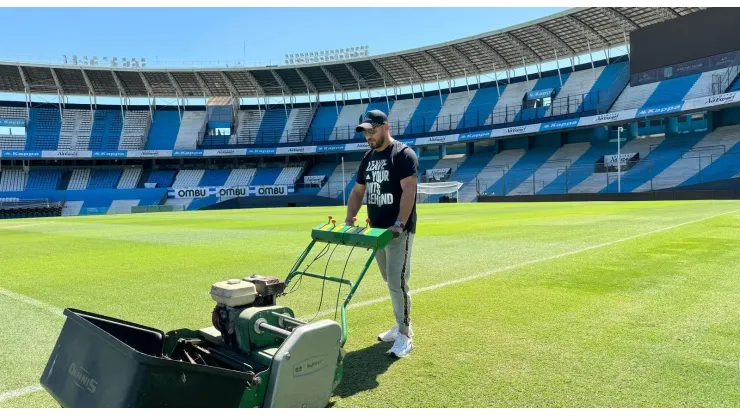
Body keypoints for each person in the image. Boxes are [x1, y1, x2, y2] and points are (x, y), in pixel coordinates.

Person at [344, 109, 419, 358]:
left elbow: (409, 191)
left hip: (397, 232)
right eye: (365, 132)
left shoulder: (403, 154)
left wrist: (399, 223)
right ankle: (399, 324)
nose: (368, 136)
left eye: (372, 130)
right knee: (390, 281)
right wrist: (349, 219)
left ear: (385, 127)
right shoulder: (367, 158)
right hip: (376, 232)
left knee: (398, 283)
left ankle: (406, 335)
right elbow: (357, 192)